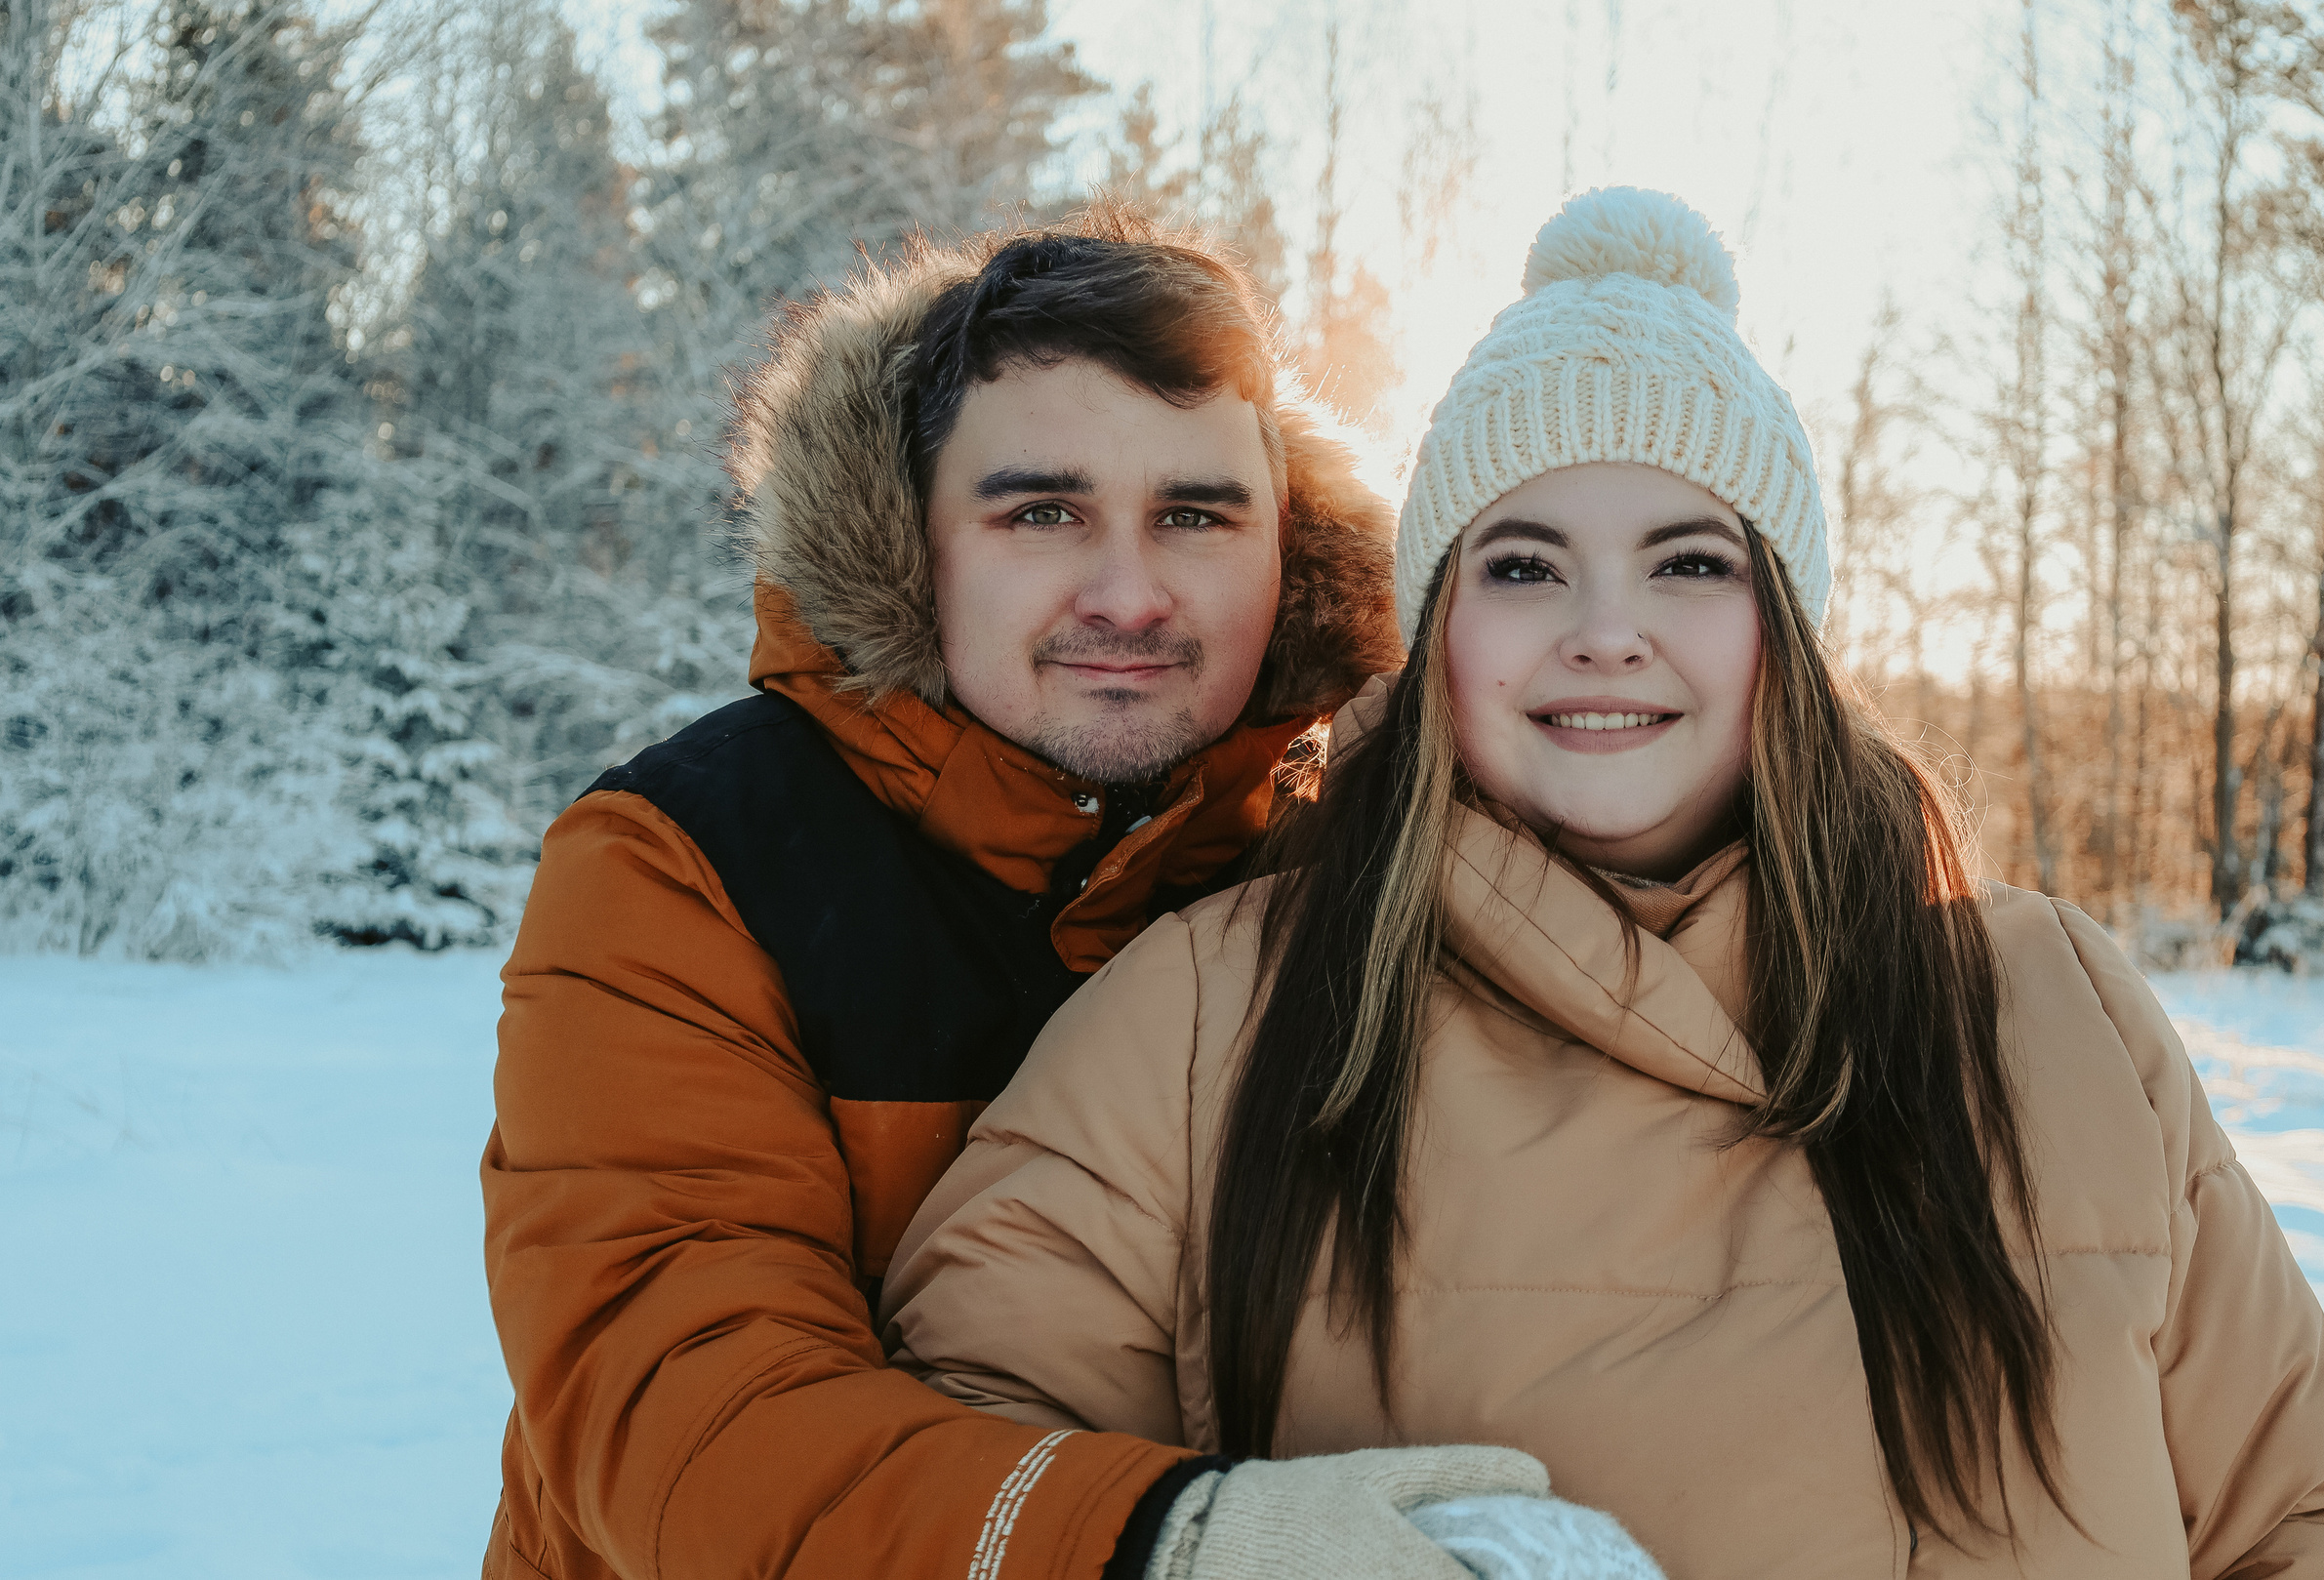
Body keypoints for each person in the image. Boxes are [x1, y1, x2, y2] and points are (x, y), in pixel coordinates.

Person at [882, 188, 2324, 1578]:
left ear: (1783, 631)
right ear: (1440, 636)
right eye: (1526, 565)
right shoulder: (1217, 1013)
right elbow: (962, 1488)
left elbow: (2305, 1519)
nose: (1605, 631)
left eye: (1689, 563)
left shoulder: (2049, 1003)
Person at [479, 205, 1578, 1580]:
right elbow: (686, 1417)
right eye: (1045, 512)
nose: (1128, 593)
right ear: (914, 540)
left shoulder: (1358, 865)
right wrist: (1159, 1549)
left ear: (1284, 550)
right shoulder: (686, 865)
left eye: (1196, 514)